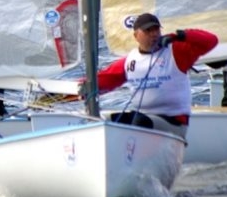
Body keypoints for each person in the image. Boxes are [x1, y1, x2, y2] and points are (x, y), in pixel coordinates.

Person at [83, 12, 218, 137]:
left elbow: (211, 40)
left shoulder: (176, 52)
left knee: (139, 121)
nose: (154, 34)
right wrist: (79, 89)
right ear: (136, 35)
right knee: (101, 120)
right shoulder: (131, 61)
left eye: (156, 30)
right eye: (148, 31)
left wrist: (179, 36)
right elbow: (104, 80)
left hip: (173, 122)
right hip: (143, 120)